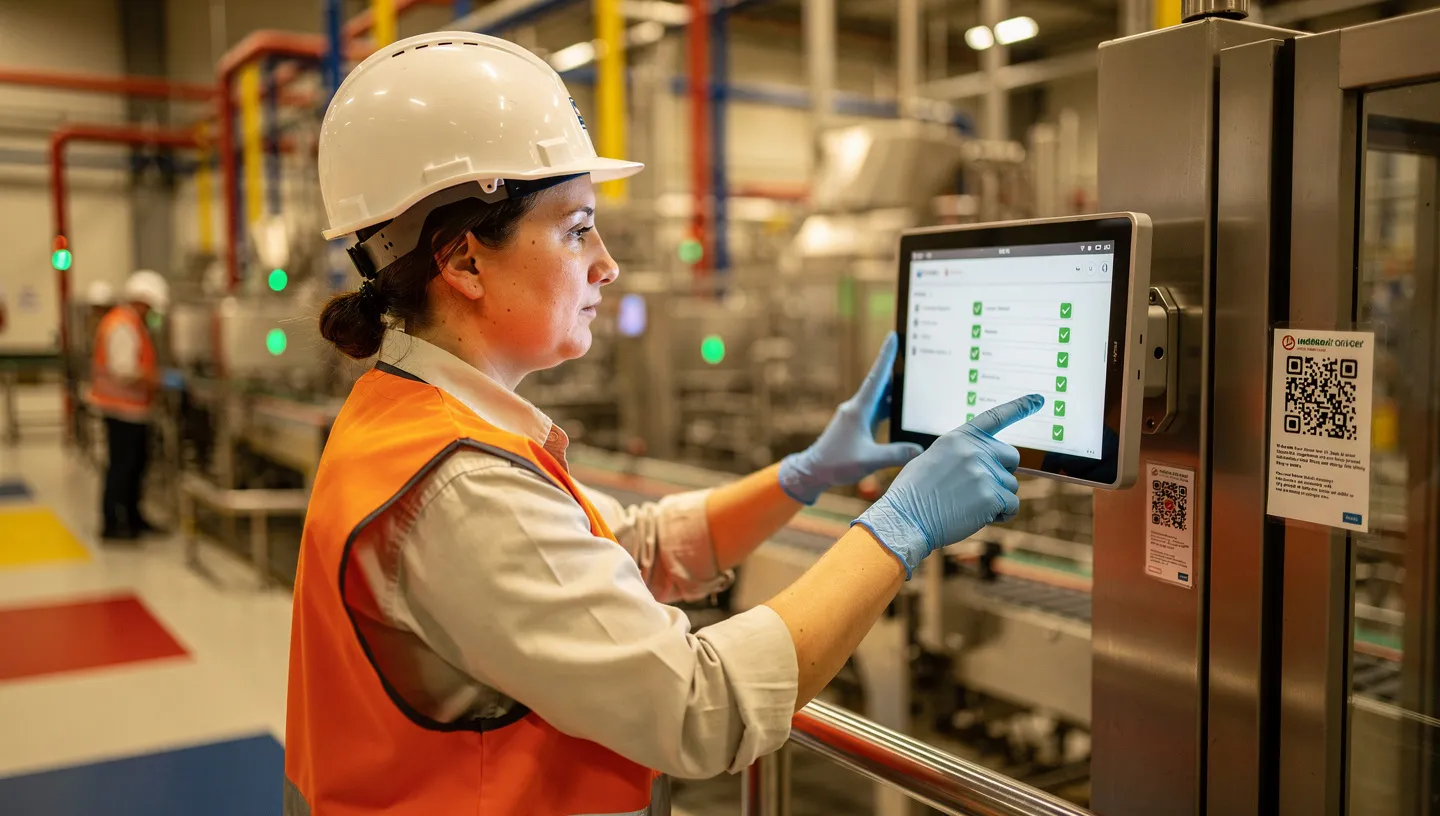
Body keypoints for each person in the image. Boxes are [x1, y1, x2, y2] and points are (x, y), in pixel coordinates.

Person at [284, 31, 1042, 816]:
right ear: (465, 261)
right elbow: (698, 708)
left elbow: (626, 552)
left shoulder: (410, 415)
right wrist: (900, 527)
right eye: (579, 229)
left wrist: (803, 476)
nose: (608, 264)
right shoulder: (460, 485)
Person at [88, 269, 168, 540]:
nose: (152, 313)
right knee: (122, 467)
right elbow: (123, 369)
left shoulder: (128, 322)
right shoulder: (123, 324)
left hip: (132, 411)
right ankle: (113, 524)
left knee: (135, 466)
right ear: (142, 301)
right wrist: (155, 378)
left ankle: (133, 517)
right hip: (122, 410)